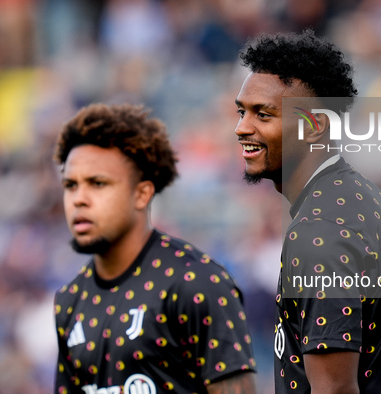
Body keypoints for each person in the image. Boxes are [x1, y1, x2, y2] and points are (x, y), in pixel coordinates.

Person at [234, 30, 381, 393]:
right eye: (241, 111)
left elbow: (335, 390)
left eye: (263, 114)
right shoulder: (358, 196)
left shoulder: (320, 231)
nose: (242, 127)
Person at [53, 104, 256, 393]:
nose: (79, 199)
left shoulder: (196, 282)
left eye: (97, 183)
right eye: (71, 185)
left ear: (141, 193)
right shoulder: (69, 301)